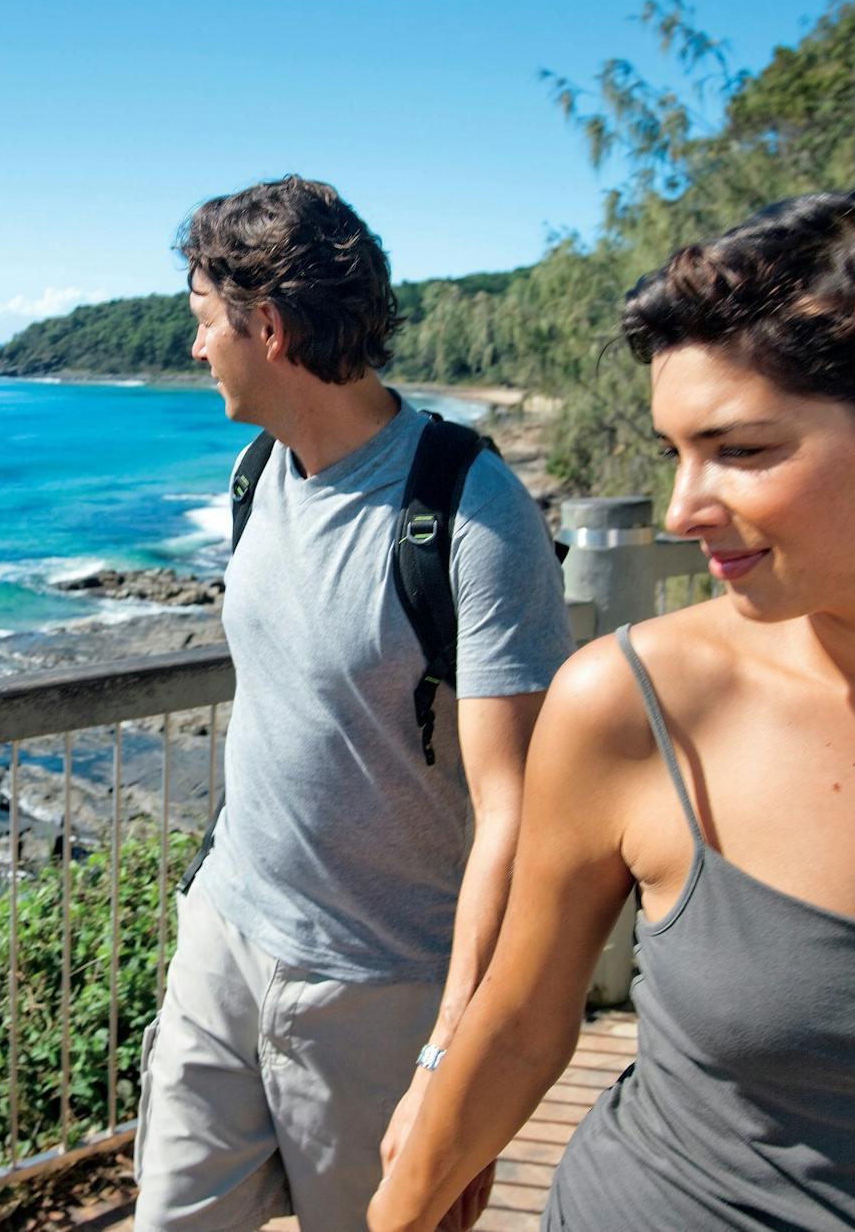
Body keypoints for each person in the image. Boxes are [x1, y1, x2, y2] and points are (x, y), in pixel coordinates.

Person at [370, 181, 855, 1232]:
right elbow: (526, 1021)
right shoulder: (635, 703)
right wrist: (397, 1214)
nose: (683, 509)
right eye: (677, 452)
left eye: (744, 451)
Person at [134, 175, 574, 1231]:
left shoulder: (471, 514)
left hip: (382, 994)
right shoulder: (256, 474)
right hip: (226, 939)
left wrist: (449, 1058)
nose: (197, 351)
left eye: (205, 323)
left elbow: (518, 816)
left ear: (269, 328)